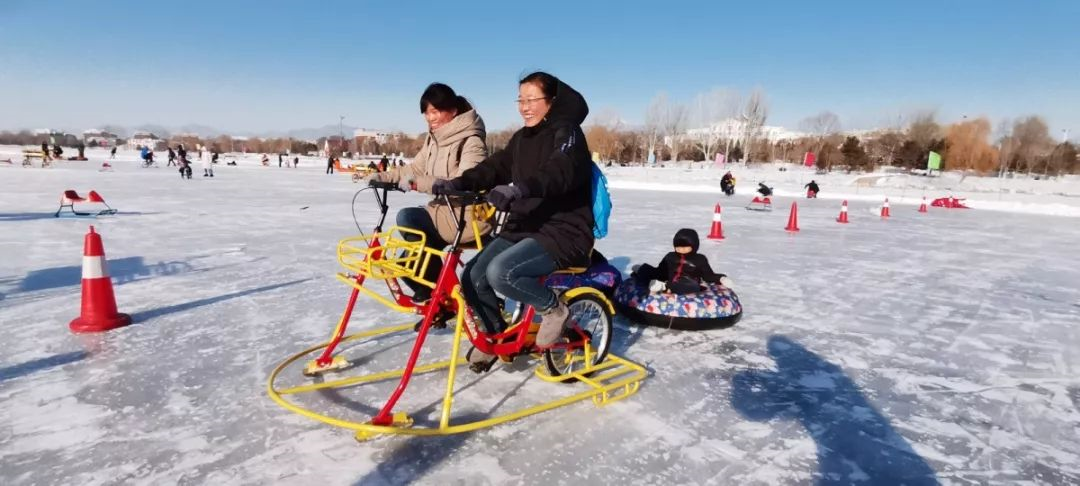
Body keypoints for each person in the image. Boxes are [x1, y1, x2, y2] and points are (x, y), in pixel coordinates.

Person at [432, 72, 594, 369]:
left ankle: (554, 310)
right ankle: (493, 338)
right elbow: (495, 167)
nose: (524, 106)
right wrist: (459, 183)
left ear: (552, 101)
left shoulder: (568, 132)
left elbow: (560, 171)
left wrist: (520, 188)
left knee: (501, 272)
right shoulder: (522, 138)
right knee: (472, 277)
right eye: (521, 99)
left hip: (563, 231)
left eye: (532, 99)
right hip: (526, 225)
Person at [366, 83, 490, 328]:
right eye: (426, 112)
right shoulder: (433, 139)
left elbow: (464, 181)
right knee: (405, 259)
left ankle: (438, 294)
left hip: (466, 217)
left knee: (409, 221)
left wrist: (417, 184)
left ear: (452, 111)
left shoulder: (471, 141)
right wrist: (382, 177)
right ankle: (438, 295)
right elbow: (414, 168)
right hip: (442, 213)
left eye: (435, 111)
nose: (430, 118)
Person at [631, 229, 730, 295]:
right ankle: (641, 270)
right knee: (652, 273)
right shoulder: (670, 256)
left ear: (694, 245)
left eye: (685, 247)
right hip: (669, 279)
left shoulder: (700, 259)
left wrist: (721, 278)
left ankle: (664, 287)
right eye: (678, 247)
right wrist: (644, 270)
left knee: (693, 286)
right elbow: (660, 271)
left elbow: (708, 275)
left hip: (688, 283)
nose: (681, 249)